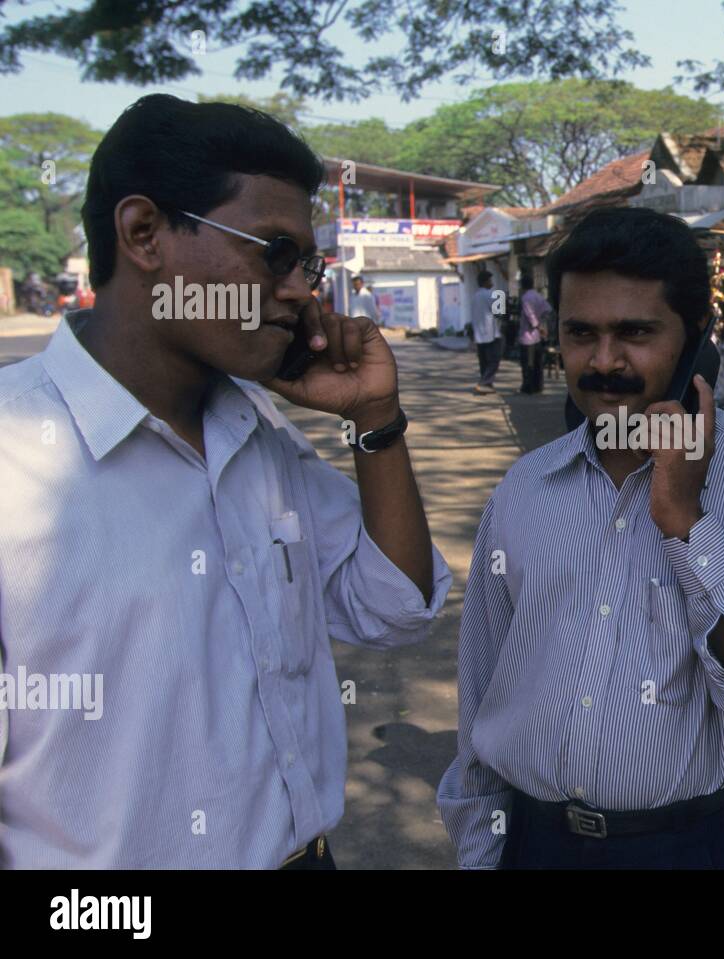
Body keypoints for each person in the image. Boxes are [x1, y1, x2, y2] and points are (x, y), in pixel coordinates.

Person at [0, 94, 452, 869]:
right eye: (274, 253)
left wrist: (375, 420)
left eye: (307, 264)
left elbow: (396, 608)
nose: (300, 291)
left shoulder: (256, 435)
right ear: (144, 234)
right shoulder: (18, 462)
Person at [438, 207, 724, 869]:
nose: (605, 362)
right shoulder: (523, 489)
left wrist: (688, 526)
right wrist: (483, 852)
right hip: (539, 846)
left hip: (708, 846)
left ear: (696, 338)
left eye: (635, 332)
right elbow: (482, 697)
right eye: (580, 334)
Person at [471, 270, 502, 394]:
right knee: (494, 360)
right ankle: (483, 382)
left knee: (484, 361)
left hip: (479, 334)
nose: (492, 283)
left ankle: (487, 384)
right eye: (490, 281)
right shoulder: (490, 294)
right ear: (485, 282)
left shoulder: (475, 296)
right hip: (491, 333)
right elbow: (499, 312)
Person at [517, 273, 548, 394]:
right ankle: (538, 386)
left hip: (527, 336)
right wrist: (542, 323)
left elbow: (529, 315)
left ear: (522, 285)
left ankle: (528, 386)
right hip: (537, 337)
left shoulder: (525, 298)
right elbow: (547, 309)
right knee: (537, 362)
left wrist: (537, 325)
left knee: (527, 363)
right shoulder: (538, 296)